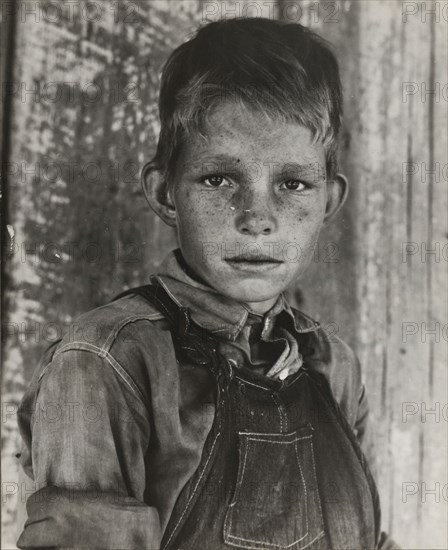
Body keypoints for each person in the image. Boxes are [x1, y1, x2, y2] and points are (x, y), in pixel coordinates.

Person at [16, 17, 399, 550]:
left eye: (293, 183)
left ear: (328, 201)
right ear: (166, 193)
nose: (257, 218)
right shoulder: (106, 362)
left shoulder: (332, 364)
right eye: (220, 179)